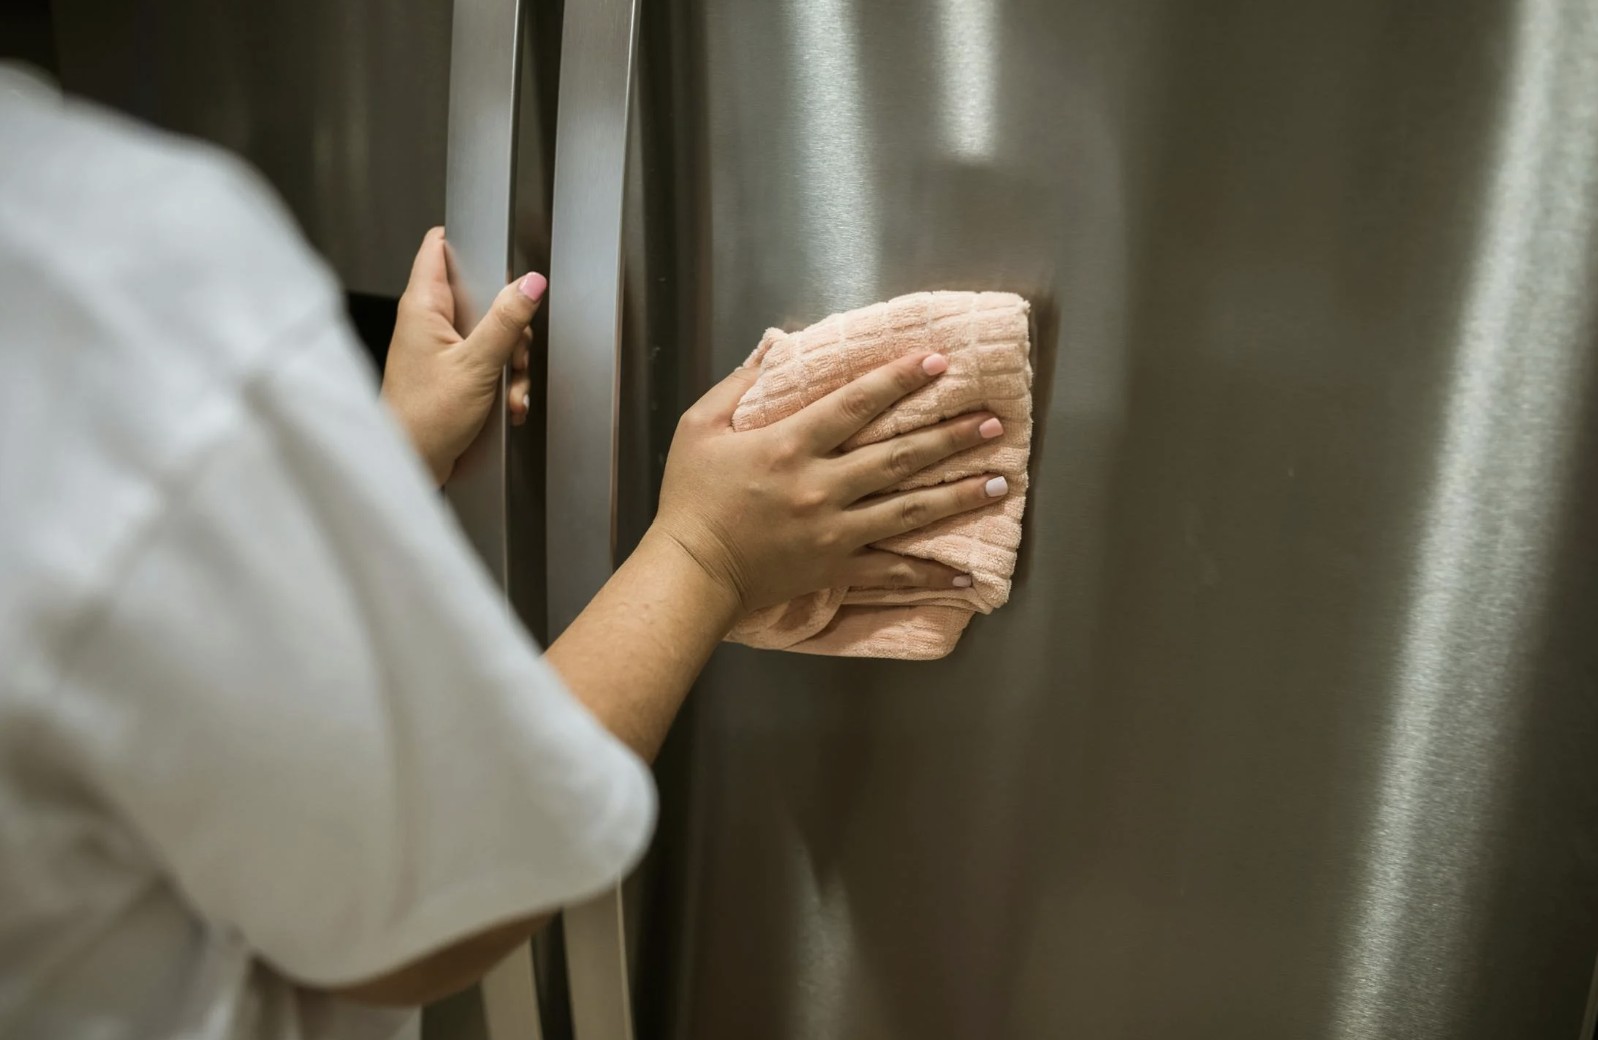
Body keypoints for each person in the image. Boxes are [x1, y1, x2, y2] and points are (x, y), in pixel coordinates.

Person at [0, 64, 1010, 1039]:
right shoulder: (97, 270)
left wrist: (373, 465)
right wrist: (705, 557)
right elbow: (418, 900)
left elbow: (127, 667)